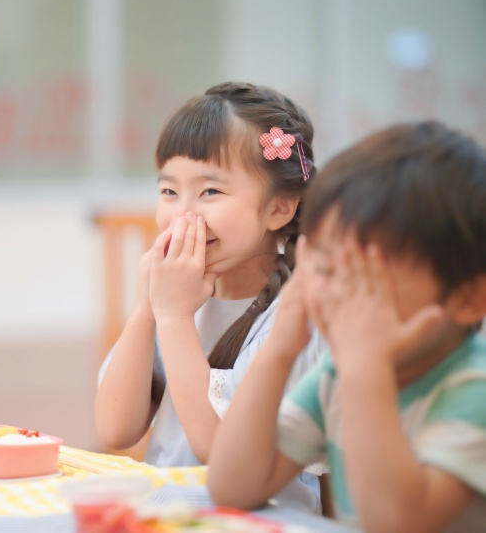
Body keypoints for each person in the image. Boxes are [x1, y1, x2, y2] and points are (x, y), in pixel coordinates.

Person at [208, 121, 486, 531]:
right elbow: (233, 485)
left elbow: (394, 522)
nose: (340, 294)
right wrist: (280, 348)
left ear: (466, 300)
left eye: (368, 280)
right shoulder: (336, 377)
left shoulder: (472, 389)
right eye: (327, 268)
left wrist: (365, 367)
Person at [95, 82, 326, 512]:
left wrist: (174, 316)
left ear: (279, 208)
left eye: (210, 192)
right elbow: (116, 428)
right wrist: (148, 309)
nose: (183, 214)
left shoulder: (294, 317)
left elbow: (221, 452)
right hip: (166, 514)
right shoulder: (176, 300)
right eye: (168, 191)